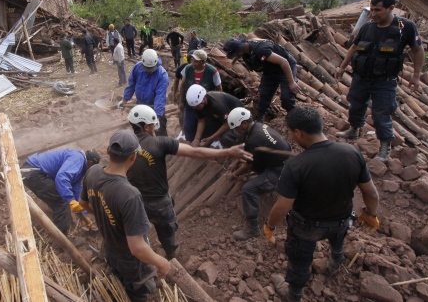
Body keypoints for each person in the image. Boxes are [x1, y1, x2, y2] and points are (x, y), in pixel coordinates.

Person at [264, 107, 379, 302]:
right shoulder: (351, 152)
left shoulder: (296, 165)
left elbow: (282, 207)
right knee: (338, 243)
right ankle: (335, 264)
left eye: (292, 133)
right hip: (341, 221)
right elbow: (371, 193)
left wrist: (270, 226)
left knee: (300, 261)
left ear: (298, 132)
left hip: (307, 228)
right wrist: (370, 214)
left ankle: (294, 294)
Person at [126, 105, 252, 259]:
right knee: (167, 233)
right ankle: (171, 254)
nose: (154, 128)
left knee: (138, 233)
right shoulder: (160, 143)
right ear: (146, 127)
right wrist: (227, 151)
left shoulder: (125, 145)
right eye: (152, 125)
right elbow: (195, 152)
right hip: (159, 203)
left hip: (135, 201)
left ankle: (143, 254)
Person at [80, 130, 170, 302]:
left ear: (107, 150)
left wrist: (102, 215)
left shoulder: (93, 173)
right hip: (131, 260)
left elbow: (83, 203)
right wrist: (162, 262)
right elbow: (137, 248)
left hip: (110, 248)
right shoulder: (129, 194)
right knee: (140, 291)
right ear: (133, 157)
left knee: (120, 278)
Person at [335, 0, 424, 161]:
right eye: (372, 10)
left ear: (391, 8)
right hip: (361, 78)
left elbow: (418, 50)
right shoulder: (368, 27)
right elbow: (354, 48)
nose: (374, 14)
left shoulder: (405, 27)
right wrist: (342, 67)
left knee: (381, 113)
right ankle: (354, 130)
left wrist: (416, 75)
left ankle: (385, 145)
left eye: (378, 10)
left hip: (384, 81)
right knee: (355, 105)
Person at [225, 107, 292, 241]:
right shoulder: (258, 127)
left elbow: (248, 164)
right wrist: (236, 162)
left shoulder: (254, 138)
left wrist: (233, 175)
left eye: (237, 128)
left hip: (282, 171)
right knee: (257, 167)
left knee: (249, 189)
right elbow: (249, 150)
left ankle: (252, 229)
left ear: (244, 124)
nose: (237, 132)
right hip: (285, 162)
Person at [21, 148, 101, 235]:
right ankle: (63, 238)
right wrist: (70, 200)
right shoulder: (78, 159)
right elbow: (62, 178)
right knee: (61, 200)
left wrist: (84, 213)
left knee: (64, 194)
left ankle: (67, 224)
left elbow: (75, 189)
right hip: (33, 171)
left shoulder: (80, 166)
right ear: (90, 163)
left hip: (35, 171)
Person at [223, 37, 302, 122]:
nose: (236, 55)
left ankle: (296, 116)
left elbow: (284, 62)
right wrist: (233, 61)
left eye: (236, 53)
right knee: (264, 93)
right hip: (270, 70)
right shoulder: (246, 48)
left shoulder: (260, 50)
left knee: (286, 97)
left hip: (285, 68)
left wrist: (291, 82)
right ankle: (260, 117)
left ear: (240, 49)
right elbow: (240, 54)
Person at [120, 49, 170, 136]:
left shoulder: (162, 75)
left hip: (154, 107)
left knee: (159, 132)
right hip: (140, 105)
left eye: (151, 69)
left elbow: (160, 97)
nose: (149, 71)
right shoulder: (137, 68)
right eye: (147, 68)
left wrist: (157, 117)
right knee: (140, 132)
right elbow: (131, 84)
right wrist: (125, 99)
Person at [178, 50, 222, 142]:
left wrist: (218, 105)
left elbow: (219, 89)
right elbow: (182, 85)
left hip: (206, 105)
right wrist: (181, 101)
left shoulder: (212, 71)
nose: (193, 63)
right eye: (192, 60)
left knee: (206, 127)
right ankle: (191, 142)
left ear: (203, 62)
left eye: (196, 61)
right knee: (189, 129)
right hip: (190, 104)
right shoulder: (187, 69)